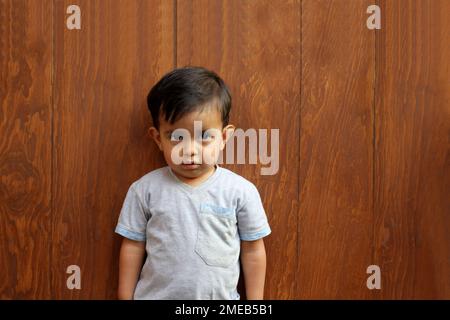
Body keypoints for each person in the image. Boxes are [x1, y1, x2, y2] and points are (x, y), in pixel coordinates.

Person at [115, 66, 271, 300]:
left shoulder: (240, 192)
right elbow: (132, 247)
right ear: (158, 138)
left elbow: (253, 251)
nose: (190, 150)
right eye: (177, 137)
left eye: (205, 136)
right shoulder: (144, 190)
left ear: (224, 137)